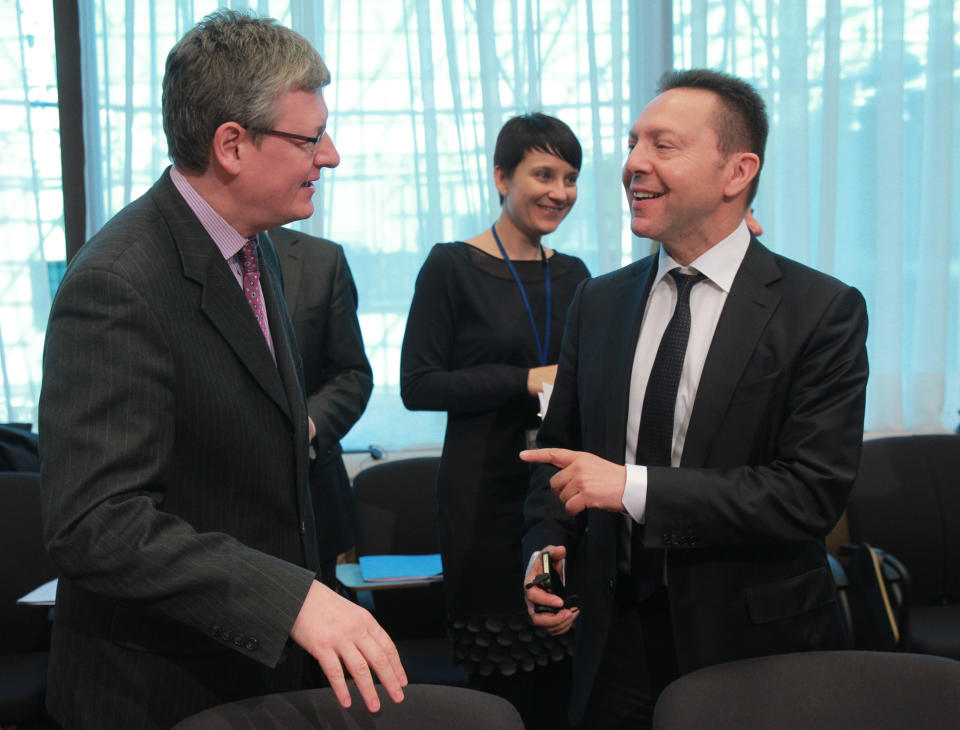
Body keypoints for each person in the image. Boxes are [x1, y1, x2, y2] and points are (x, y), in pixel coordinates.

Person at [38, 11, 405, 729]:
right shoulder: (119, 282)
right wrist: (288, 599)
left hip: (253, 672)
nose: (328, 156)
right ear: (232, 145)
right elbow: (96, 525)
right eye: (309, 137)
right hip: (158, 690)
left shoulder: (253, 245)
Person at [521, 69, 869, 729]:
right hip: (610, 642)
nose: (632, 165)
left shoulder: (820, 311)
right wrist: (544, 548)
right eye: (631, 143)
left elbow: (807, 496)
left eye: (663, 145)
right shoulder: (598, 301)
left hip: (752, 646)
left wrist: (631, 487)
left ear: (737, 172)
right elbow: (558, 459)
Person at [400, 113, 590, 728]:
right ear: (501, 177)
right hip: (482, 496)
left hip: (559, 492)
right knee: (500, 691)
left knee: (565, 677)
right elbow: (418, 385)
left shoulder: (578, 275)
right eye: (542, 173)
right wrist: (525, 380)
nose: (558, 191)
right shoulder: (451, 265)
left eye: (570, 177)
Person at [270, 226, 373, 588]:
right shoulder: (158, 250)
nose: (323, 165)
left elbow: (352, 374)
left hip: (312, 503)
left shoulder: (321, 259)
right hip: (203, 516)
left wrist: (306, 426)